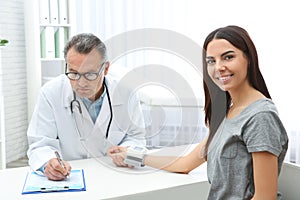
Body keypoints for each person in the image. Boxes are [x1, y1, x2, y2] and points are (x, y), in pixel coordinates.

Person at [109, 25, 289, 199]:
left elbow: (265, 197)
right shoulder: (229, 113)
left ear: (249, 59)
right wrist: (133, 156)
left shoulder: (260, 117)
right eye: (211, 61)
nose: (218, 67)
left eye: (228, 57)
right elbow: (184, 164)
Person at [27, 33, 146, 181]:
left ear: (106, 68)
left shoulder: (126, 93)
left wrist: (130, 154)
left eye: (90, 74)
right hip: (71, 178)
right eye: (74, 73)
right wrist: (48, 164)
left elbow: (136, 137)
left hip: (116, 174)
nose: (81, 83)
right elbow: (40, 144)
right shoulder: (51, 93)